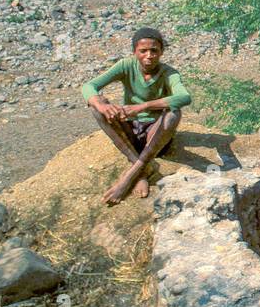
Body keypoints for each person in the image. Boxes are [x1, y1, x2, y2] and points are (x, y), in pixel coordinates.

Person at [81, 27, 191, 205]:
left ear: (161, 52)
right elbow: (89, 86)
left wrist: (142, 107)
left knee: (173, 113)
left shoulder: (169, 73)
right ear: (135, 52)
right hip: (130, 131)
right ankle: (144, 169)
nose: (149, 55)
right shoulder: (126, 65)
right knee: (96, 108)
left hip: (155, 136)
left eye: (154, 51)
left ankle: (131, 176)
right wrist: (100, 104)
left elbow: (184, 97)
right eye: (143, 51)